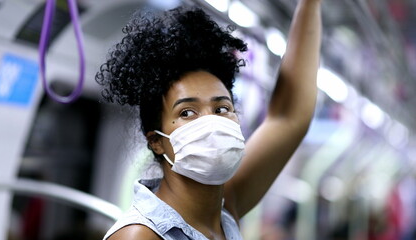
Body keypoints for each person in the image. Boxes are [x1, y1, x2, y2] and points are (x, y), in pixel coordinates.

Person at [95, 0, 322, 239]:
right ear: (156, 140)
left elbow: (288, 118)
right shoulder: (140, 235)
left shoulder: (223, 211)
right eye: (187, 112)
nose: (211, 123)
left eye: (222, 108)